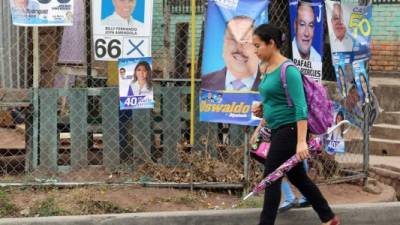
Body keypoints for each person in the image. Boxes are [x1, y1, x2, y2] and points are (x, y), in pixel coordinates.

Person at [251, 23, 339, 225]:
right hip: (275, 129)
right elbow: (275, 100)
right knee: (298, 177)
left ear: (271, 43)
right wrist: (262, 112)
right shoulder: (264, 67)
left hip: (290, 130)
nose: (255, 50)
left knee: (271, 178)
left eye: (258, 46)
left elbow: (300, 107)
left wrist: (301, 142)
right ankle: (328, 217)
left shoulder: (288, 70)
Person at [201, 16, 261, 91]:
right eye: (233, 40)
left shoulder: (273, 85)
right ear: (223, 45)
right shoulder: (205, 83)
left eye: (246, 41)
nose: (239, 48)